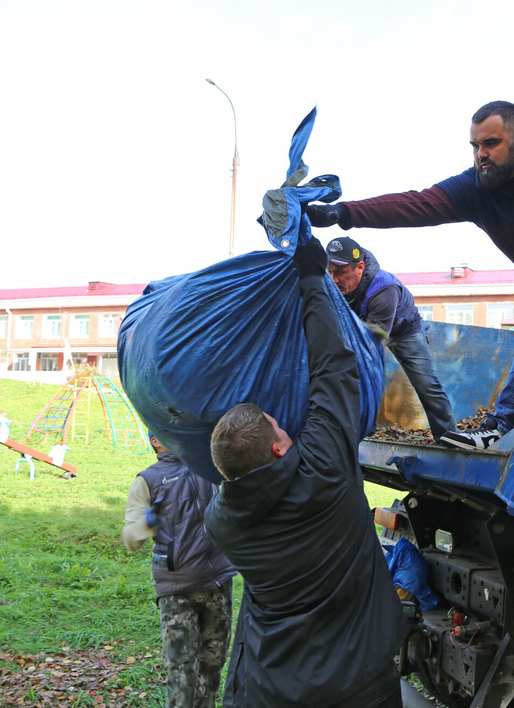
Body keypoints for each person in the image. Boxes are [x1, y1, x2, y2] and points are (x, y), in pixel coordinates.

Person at [308, 100, 514, 450]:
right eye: (475, 146)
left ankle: (498, 425)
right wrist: (342, 212)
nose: (481, 154)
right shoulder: (475, 191)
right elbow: (414, 204)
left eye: (490, 144)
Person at [204, 236, 408, 708]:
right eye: (281, 427)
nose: (289, 426)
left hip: (273, 686)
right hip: (359, 684)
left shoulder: (222, 521)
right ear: (278, 449)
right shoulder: (325, 471)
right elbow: (333, 368)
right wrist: (312, 279)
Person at [122, 432, 236, 708]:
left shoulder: (205, 463)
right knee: (182, 672)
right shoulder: (147, 480)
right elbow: (130, 537)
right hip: (177, 589)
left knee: (212, 666)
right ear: (154, 441)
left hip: (218, 581)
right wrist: (147, 522)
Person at [326, 235, 456, 441]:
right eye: (330, 272)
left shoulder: (384, 288)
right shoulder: (333, 283)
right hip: (362, 327)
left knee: (426, 384)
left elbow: (372, 343)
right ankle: (361, 433)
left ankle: (448, 436)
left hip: (403, 331)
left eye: (341, 273)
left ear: (360, 267)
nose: (334, 279)